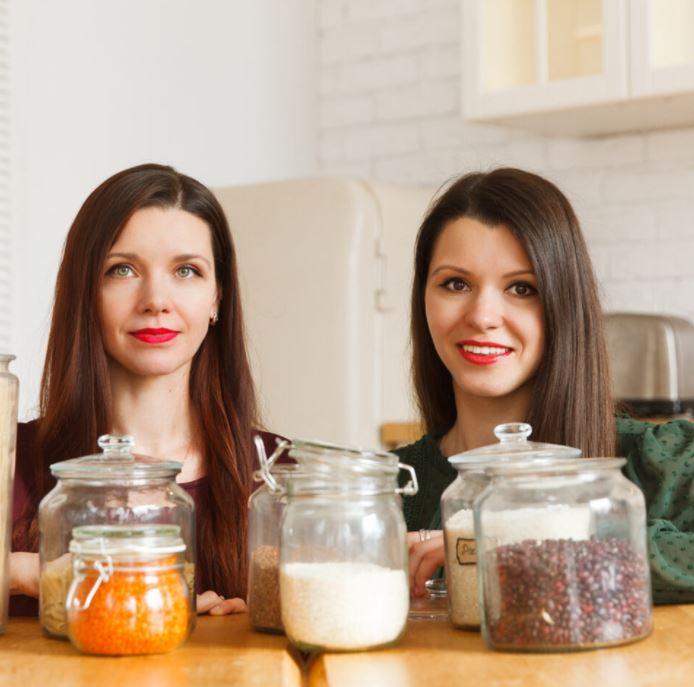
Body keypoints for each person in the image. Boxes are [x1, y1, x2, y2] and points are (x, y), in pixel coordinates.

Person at [398, 168, 694, 605]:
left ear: (563, 306)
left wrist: (522, 544)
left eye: (521, 288)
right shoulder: (387, 491)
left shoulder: (662, 463)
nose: (482, 316)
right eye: (455, 284)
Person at [9, 163, 282, 616]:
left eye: (187, 271)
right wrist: (25, 572)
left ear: (217, 297)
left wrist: (241, 637)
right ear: (85, 293)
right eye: (122, 270)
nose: (156, 300)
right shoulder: (10, 465)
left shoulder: (283, 477)